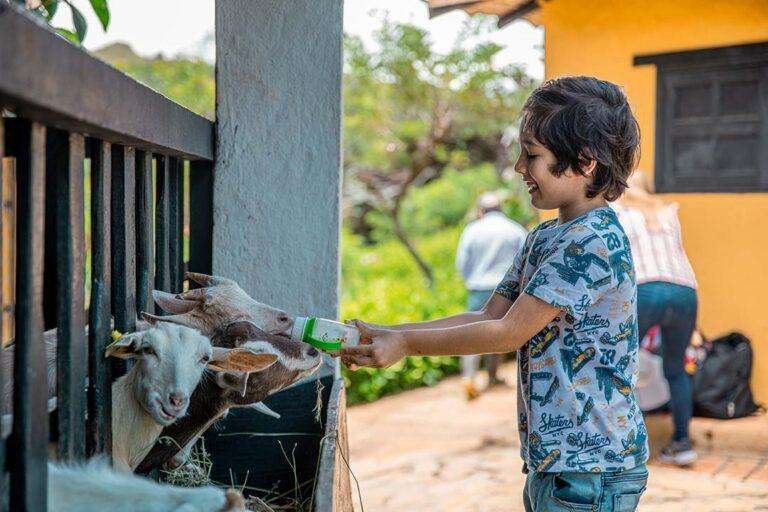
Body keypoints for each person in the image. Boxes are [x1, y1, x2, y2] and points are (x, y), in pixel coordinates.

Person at [341, 76, 649, 512]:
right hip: (557, 464)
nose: (521, 168)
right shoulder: (546, 236)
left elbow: (507, 333)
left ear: (584, 163)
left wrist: (407, 344)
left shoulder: (591, 240)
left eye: (533, 155)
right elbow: (488, 314)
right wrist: (392, 331)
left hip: (591, 470)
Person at [613, 172, 698, 467]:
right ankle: (682, 444)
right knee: (676, 368)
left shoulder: (619, 212)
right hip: (685, 290)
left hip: (645, 288)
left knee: (620, 367)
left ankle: (624, 447)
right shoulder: (669, 211)